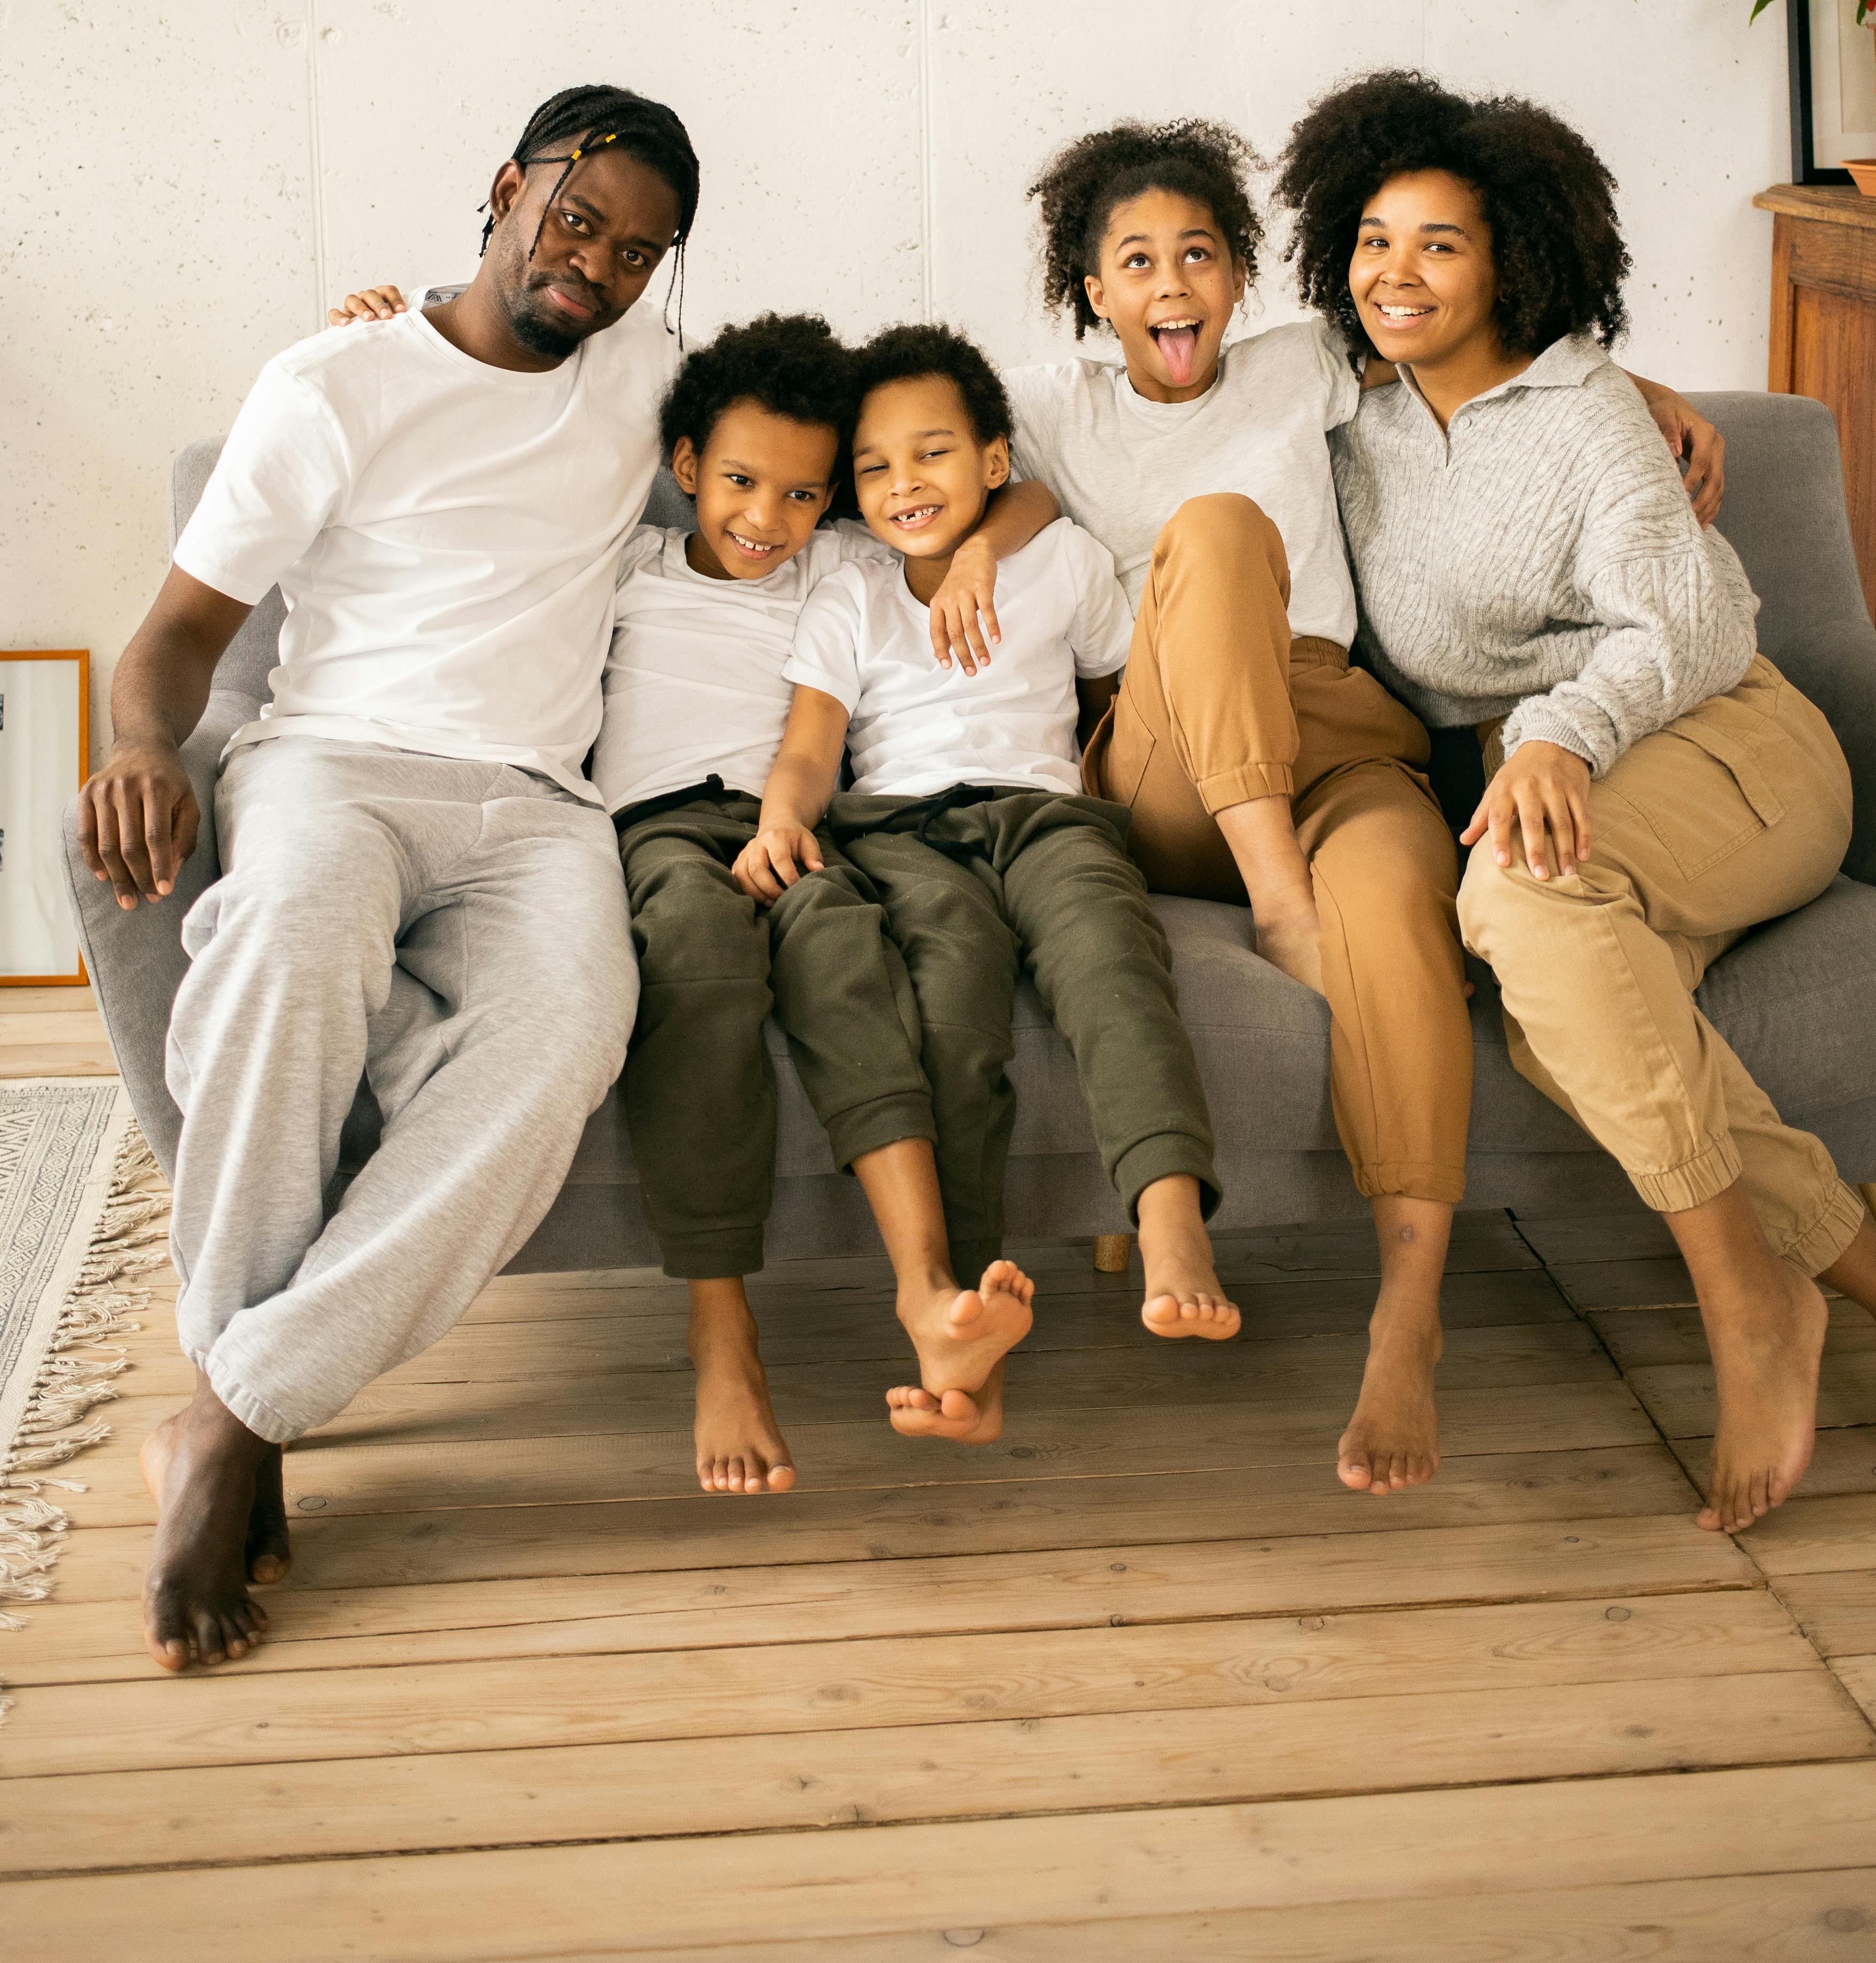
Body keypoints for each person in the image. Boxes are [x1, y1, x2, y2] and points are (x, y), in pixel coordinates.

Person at [1007, 118, 1726, 1499]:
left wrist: (1638, 387)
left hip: (1338, 733)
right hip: (1167, 754)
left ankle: (1408, 1309)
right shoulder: (1046, 402)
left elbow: (1469, 338)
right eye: (1137, 261)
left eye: (1202, 255)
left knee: (1405, 897)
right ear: (1090, 292)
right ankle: (1280, 900)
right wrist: (987, 540)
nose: (1173, 284)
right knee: (1217, 531)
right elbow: (909, 458)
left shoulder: (1305, 369)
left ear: (1243, 274)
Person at [76, 84, 699, 1674]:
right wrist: (147, 749)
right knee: (286, 947)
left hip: (540, 811)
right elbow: (172, 645)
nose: (598, 268)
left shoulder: (650, 373)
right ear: (506, 187)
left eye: (640, 253)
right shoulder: (333, 379)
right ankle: (238, 1422)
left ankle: (231, 1406)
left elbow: (877, 429)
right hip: (334, 769)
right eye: (576, 220)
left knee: (564, 1038)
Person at [1278, 66, 1876, 1538]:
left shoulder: (1585, 420)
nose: (1397, 272)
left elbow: (1695, 629)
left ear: (1515, 255)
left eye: (1441, 244)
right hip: (1569, 778)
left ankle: (1741, 1295)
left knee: (1516, 897)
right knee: (1555, 992)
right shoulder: (1347, 416)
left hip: (1725, 744)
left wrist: (1561, 738)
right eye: (1376, 238)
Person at [738, 322, 1239, 1446]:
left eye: (932, 455)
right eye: (874, 467)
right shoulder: (853, 593)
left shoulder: (1057, 559)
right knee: (949, 1022)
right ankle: (965, 1338)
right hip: (904, 835)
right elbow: (814, 748)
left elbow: (1126, 698)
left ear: (994, 463)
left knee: (1113, 963)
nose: (903, 484)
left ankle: (1170, 1219)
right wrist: (782, 817)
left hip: (1054, 820)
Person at [595, 311, 1049, 1487]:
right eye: (741, 483)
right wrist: (390, 321)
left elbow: (1025, 500)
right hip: (656, 827)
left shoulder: (847, 564)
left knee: (849, 951)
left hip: (794, 823)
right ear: (686, 468)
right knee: (696, 953)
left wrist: (990, 550)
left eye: (804, 495)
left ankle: (923, 1291)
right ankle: (722, 1334)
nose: (767, 521)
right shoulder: (626, 565)